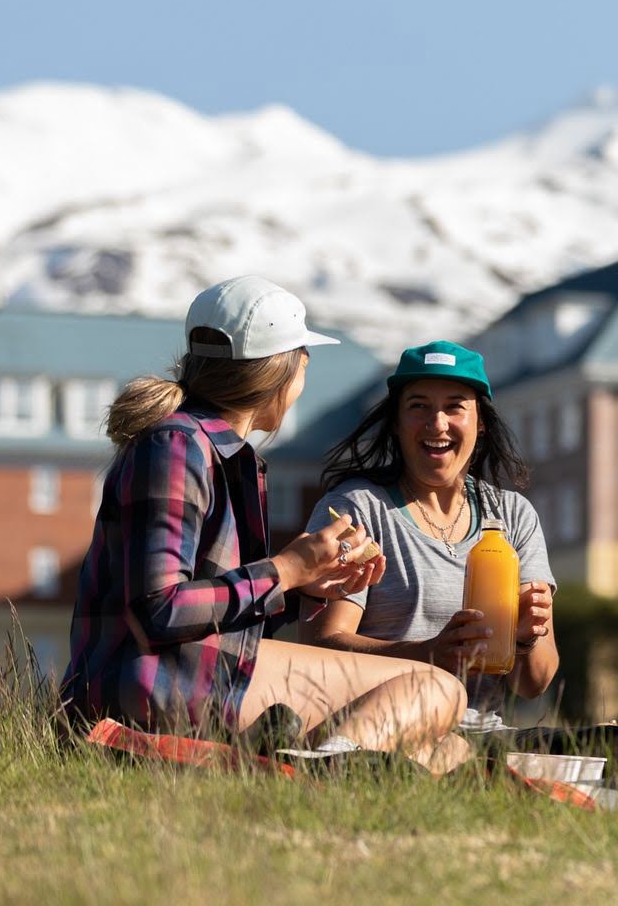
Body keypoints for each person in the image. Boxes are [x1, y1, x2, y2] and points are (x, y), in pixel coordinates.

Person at [59, 277, 471, 773]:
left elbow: (205, 611)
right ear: (280, 375)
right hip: (152, 687)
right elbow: (158, 609)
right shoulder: (176, 446)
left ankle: (320, 769)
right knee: (436, 687)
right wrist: (285, 570)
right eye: (303, 364)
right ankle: (318, 775)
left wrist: (303, 589)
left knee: (445, 749)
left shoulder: (221, 452)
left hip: (191, 677)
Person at [300, 341, 560, 738]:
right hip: (368, 731)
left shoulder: (514, 516)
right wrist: (426, 656)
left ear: (481, 423)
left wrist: (524, 638)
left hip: (480, 736)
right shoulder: (356, 509)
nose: (437, 423)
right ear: (397, 422)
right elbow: (321, 648)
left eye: (455, 406)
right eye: (418, 406)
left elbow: (532, 684)